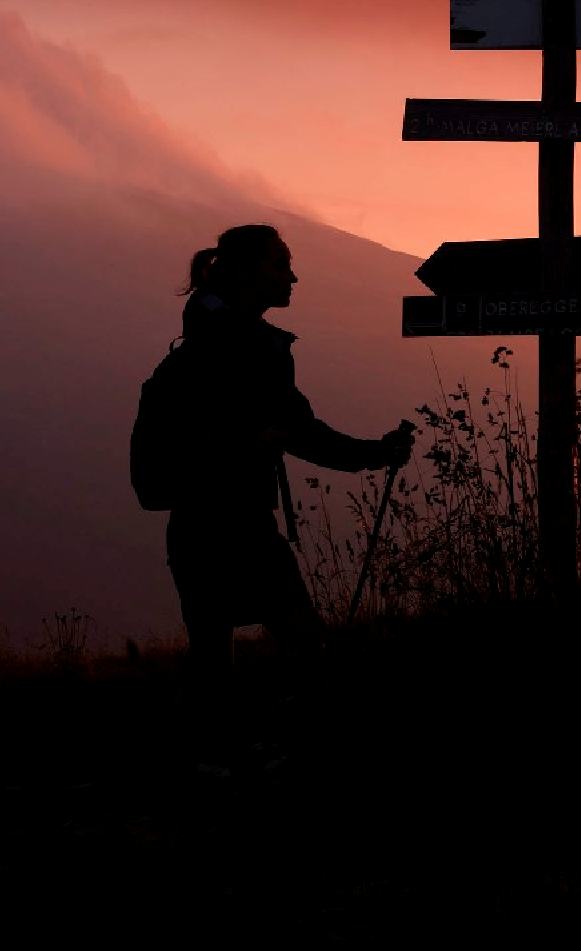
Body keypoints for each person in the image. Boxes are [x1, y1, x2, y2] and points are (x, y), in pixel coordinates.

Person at [165, 222, 415, 771]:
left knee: (211, 658)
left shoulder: (218, 341)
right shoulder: (244, 350)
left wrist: (373, 452)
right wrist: (372, 454)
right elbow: (296, 432)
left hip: (198, 523)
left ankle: (184, 767)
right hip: (237, 525)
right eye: (280, 265)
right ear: (240, 272)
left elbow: (293, 430)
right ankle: (324, 759)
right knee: (305, 647)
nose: (293, 276)